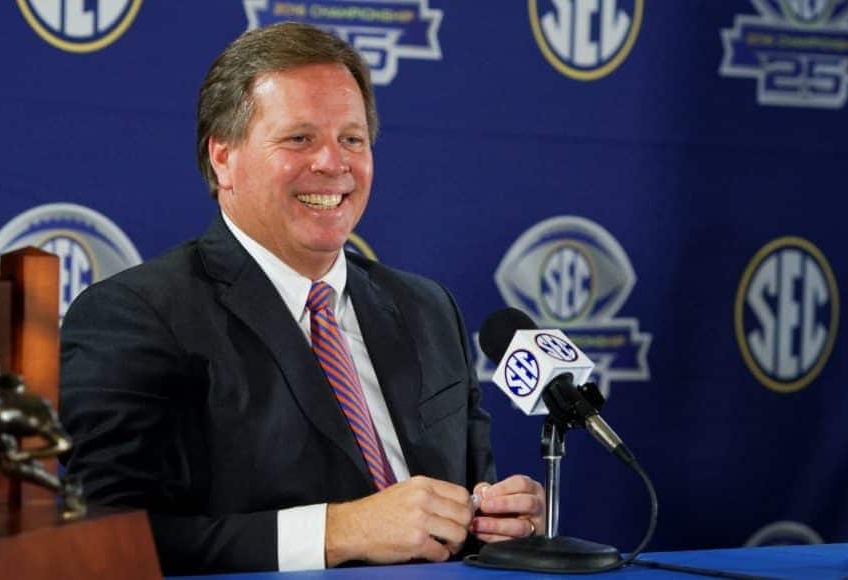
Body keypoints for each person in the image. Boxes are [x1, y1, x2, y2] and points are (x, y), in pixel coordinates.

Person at [59, 22, 544, 574]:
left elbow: (469, 502)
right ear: (223, 157)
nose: (333, 164)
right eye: (299, 138)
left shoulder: (429, 309)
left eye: (352, 139)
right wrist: (336, 531)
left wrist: (502, 521)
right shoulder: (136, 315)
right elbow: (102, 538)